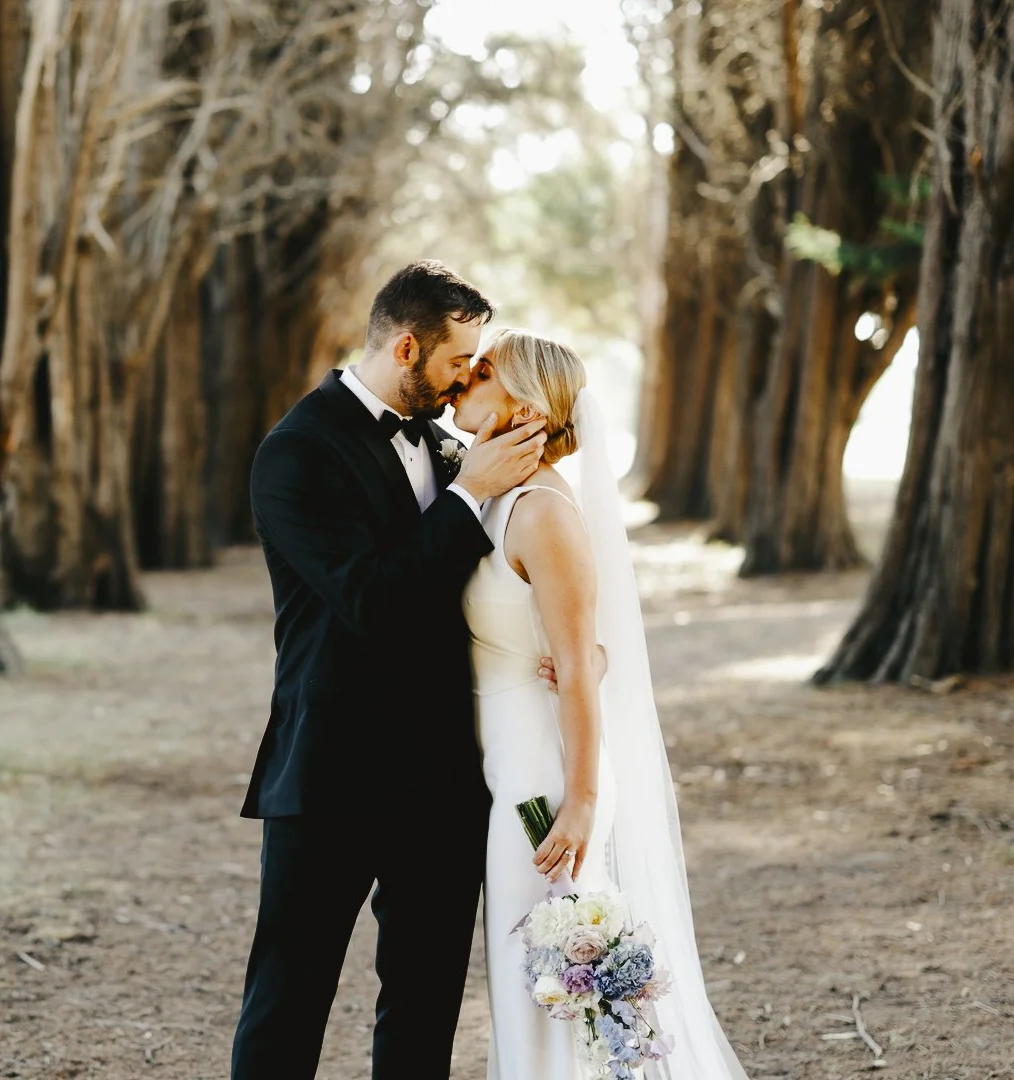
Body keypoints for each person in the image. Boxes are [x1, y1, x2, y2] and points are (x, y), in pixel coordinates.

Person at [232, 261, 545, 1078]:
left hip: (442, 773)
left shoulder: (449, 446)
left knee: (424, 1000)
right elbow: (369, 599)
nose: (463, 384)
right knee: (289, 997)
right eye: (456, 365)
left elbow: (486, 586)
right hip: (330, 766)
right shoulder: (296, 453)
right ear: (407, 347)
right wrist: (468, 497)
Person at [454, 329, 750, 1079]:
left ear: (523, 407)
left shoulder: (545, 513)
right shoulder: (492, 495)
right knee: (532, 991)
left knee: (551, 990)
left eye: (482, 371)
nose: (463, 379)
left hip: (543, 788)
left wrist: (581, 801)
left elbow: (581, 670)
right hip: (507, 771)